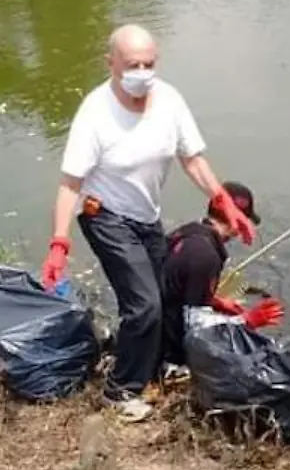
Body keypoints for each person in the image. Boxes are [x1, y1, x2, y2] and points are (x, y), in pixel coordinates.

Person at [41, 24, 258, 422]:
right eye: (132, 64)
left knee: (166, 293)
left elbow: (192, 158)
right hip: (103, 214)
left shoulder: (170, 101)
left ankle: (157, 367)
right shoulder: (95, 112)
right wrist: (59, 244)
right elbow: (70, 183)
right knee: (144, 304)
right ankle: (120, 392)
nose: (141, 72)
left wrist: (226, 204)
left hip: (146, 216)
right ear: (111, 64)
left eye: (149, 63)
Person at [159, 181, 285, 371]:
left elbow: (175, 287)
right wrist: (248, 320)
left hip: (156, 325)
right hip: (168, 349)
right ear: (237, 219)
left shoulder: (186, 232)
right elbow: (198, 328)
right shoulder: (206, 256)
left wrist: (215, 301)